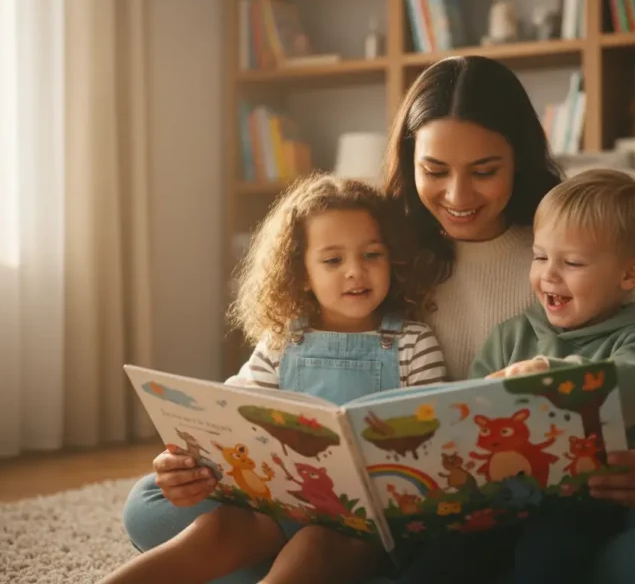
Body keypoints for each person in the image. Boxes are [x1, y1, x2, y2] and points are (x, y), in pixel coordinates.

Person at [120, 55, 635, 584]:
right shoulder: (381, 246)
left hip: (535, 498)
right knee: (151, 504)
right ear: (409, 158)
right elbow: (280, 367)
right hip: (369, 499)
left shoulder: (571, 241)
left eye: (484, 171)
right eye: (435, 170)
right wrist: (196, 457)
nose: (458, 196)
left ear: (518, 160)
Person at [104, 173, 447, 584]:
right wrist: (185, 462)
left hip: (366, 529)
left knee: (314, 546)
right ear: (301, 272)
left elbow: (434, 442)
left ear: (393, 259)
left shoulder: (414, 342)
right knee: (165, 508)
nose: (356, 271)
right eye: (333, 260)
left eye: (372, 255)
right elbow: (230, 415)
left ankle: (271, 569)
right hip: (279, 512)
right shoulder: (283, 341)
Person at [456, 168, 635, 584]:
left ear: (631, 275)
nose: (549, 275)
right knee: (447, 548)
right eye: (540, 256)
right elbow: (469, 410)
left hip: (589, 497)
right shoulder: (511, 335)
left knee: (552, 552)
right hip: (505, 494)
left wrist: (552, 378)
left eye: (573, 262)